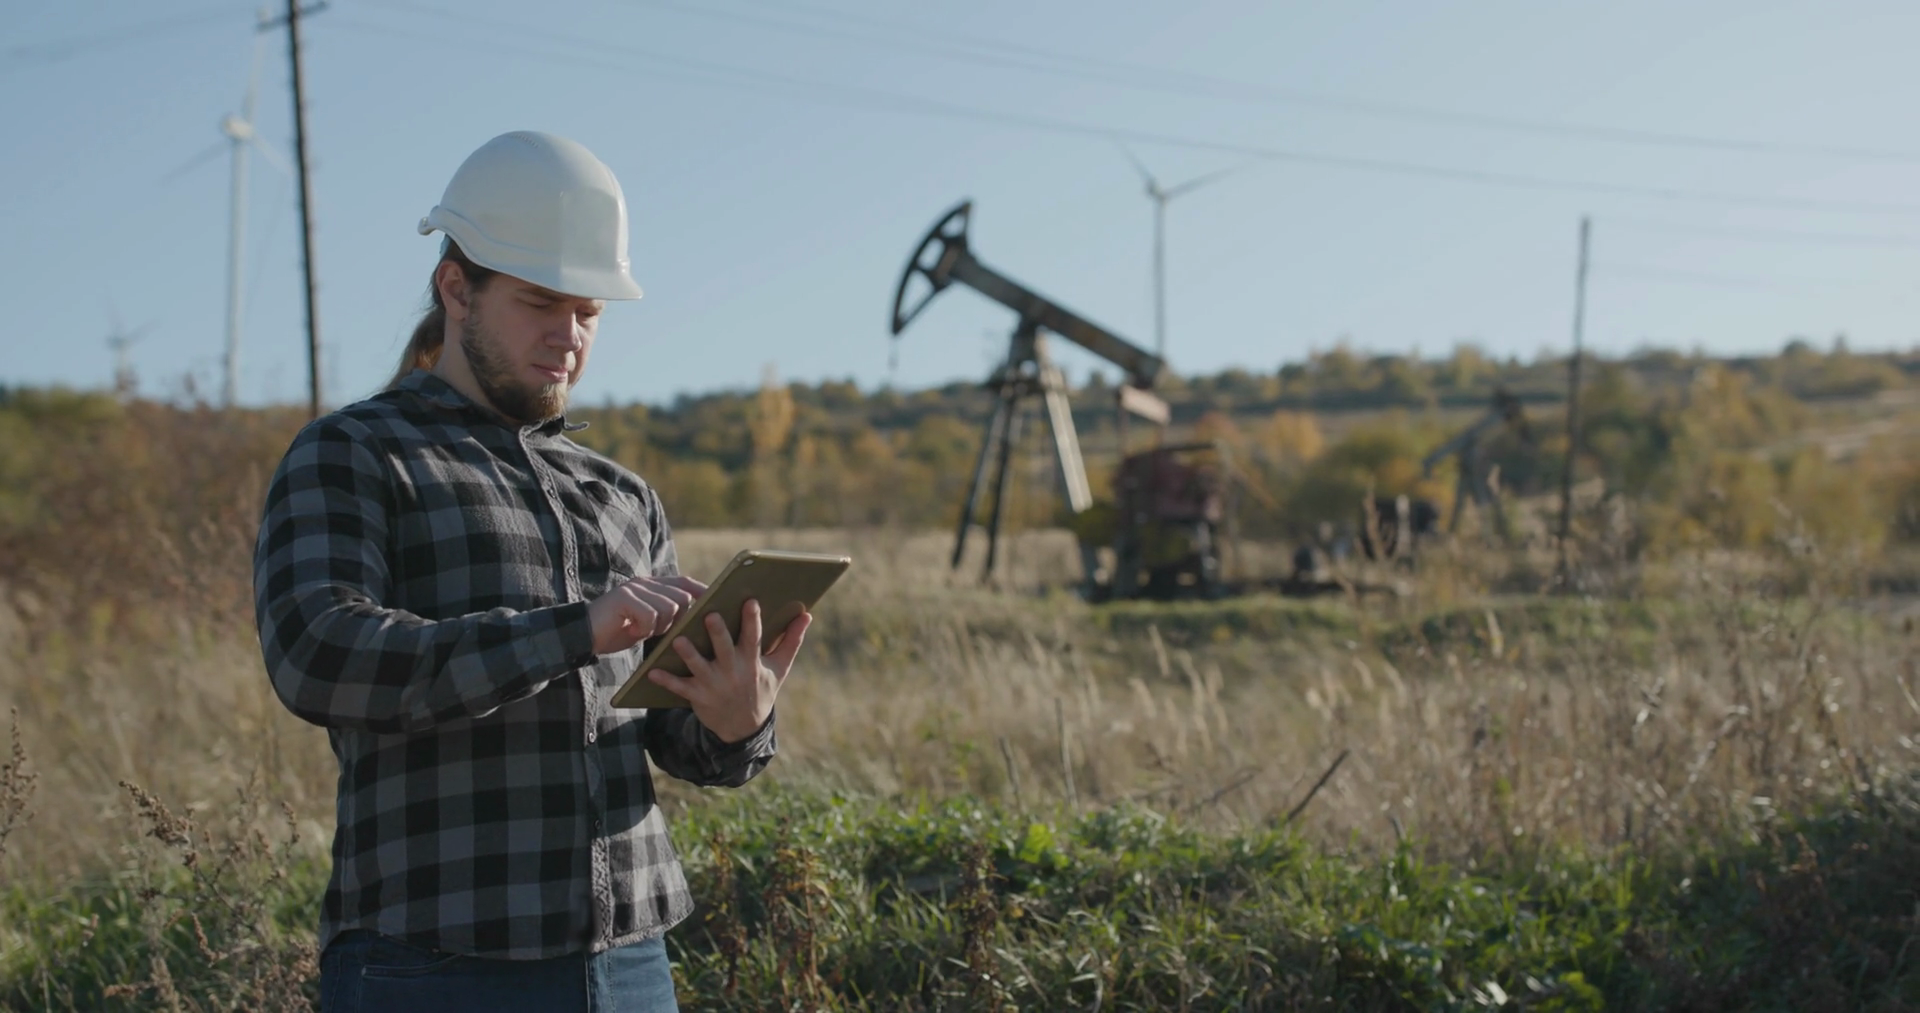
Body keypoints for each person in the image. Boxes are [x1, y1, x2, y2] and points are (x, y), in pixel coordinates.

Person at [252, 131, 809, 1012]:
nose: (569, 335)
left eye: (589, 311)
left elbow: (676, 741)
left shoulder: (623, 496)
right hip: (431, 962)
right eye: (541, 302)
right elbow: (317, 652)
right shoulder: (353, 452)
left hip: (629, 966)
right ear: (456, 289)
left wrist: (738, 721)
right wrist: (576, 630)